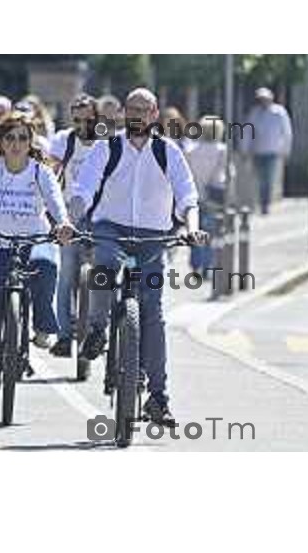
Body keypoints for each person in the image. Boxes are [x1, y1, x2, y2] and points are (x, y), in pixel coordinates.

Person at [69, 87, 206, 425]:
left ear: (154, 114)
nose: (136, 115)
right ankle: (97, 329)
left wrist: (191, 228)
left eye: (143, 109)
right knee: (104, 263)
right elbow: (83, 189)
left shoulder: (167, 152)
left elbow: (188, 196)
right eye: (131, 108)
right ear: (122, 114)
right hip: (110, 228)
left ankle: (158, 398)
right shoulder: (106, 148)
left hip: (153, 238)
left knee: (153, 314)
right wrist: (71, 220)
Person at [0, 112, 74, 399]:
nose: (16, 144)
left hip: (35, 238)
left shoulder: (40, 171)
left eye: (23, 138)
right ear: (0, 141)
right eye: (10, 137)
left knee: (46, 264)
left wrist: (63, 223)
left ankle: (44, 327)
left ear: (30, 141)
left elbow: (55, 202)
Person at [47, 93, 106, 357]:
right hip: (70, 215)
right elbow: (51, 171)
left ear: (97, 117)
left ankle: (97, 329)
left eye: (88, 119)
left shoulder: (106, 143)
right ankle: (63, 335)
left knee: (101, 273)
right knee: (66, 275)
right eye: (77, 120)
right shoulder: (63, 140)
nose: (83, 125)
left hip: (101, 215)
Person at [186, 116, 229, 276]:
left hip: (194, 195)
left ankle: (195, 264)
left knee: (195, 230)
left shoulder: (191, 150)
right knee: (211, 232)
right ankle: (207, 265)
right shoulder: (222, 150)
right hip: (214, 195)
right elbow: (229, 173)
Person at [241, 87, 293, 214]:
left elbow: (286, 132)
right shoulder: (255, 113)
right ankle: (260, 202)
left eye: (265, 99)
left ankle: (265, 204)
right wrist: (244, 148)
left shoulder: (279, 112)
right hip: (257, 150)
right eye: (261, 99)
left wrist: (286, 149)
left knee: (268, 178)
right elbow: (248, 132)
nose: (263, 101)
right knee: (259, 178)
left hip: (272, 150)